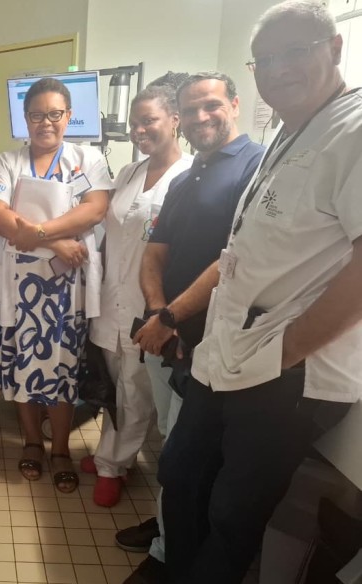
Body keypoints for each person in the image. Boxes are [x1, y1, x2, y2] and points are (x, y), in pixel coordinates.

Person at [158, 3, 360, 582]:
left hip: (287, 369)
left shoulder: (353, 130)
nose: (279, 69)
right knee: (180, 472)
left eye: (295, 51)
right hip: (231, 353)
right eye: (265, 60)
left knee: (233, 511)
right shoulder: (290, 131)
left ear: (335, 49)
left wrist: (286, 354)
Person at [119, 71, 266, 584]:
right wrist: (160, 315)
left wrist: (169, 318)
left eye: (212, 105)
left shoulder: (255, 168)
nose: (202, 117)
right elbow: (154, 254)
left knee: (191, 460)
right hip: (168, 336)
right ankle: (167, 527)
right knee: (170, 444)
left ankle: (169, 555)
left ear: (235, 104)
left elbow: (233, 259)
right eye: (191, 109)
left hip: (210, 343)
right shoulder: (186, 179)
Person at [0, 77, 112, 493]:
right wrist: (53, 240)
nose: (46, 122)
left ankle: (60, 450)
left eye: (55, 114)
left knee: (63, 368)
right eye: (37, 115)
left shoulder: (87, 159)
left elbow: (94, 209)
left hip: (67, 288)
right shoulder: (8, 162)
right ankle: (32, 443)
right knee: (23, 364)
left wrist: (34, 231)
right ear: (26, 118)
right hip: (20, 286)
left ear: (68, 116)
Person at [85, 81, 193, 507]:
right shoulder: (129, 172)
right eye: (134, 123)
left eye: (149, 120)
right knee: (113, 383)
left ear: (174, 120)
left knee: (135, 390)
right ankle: (111, 451)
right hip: (110, 297)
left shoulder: (188, 177)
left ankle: (113, 466)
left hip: (150, 303)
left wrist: (169, 313)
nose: (139, 130)